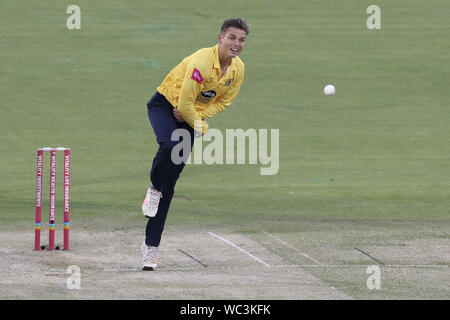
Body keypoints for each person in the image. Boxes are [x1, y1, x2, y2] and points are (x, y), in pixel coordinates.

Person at [141, 18, 250, 270]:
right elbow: (183, 104)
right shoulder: (202, 62)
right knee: (169, 146)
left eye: (241, 40)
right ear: (220, 38)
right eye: (232, 37)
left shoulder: (237, 70)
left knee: (171, 184)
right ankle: (153, 189)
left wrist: (197, 117)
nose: (236, 44)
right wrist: (200, 124)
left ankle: (150, 248)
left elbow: (223, 102)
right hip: (165, 106)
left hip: (190, 114)